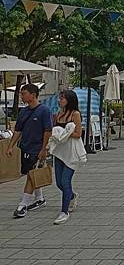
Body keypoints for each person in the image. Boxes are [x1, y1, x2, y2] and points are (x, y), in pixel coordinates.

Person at [5, 84, 53, 219]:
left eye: (24, 93)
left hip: (37, 148)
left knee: (32, 173)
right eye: (21, 93)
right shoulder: (24, 112)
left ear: (33, 94)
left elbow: (48, 131)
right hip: (25, 147)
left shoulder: (44, 111)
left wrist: (44, 149)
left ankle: (23, 204)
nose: (22, 96)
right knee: (30, 174)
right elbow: (18, 130)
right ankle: (40, 198)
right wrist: (10, 146)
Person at [49, 90, 86, 225]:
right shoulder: (58, 115)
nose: (60, 101)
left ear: (69, 100)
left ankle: (64, 212)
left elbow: (78, 133)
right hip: (59, 152)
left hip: (71, 152)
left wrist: (65, 134)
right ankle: (71, 196)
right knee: (59, 183)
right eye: (60, 98)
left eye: (62, 98)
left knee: (65, 181)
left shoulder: (75, 114)